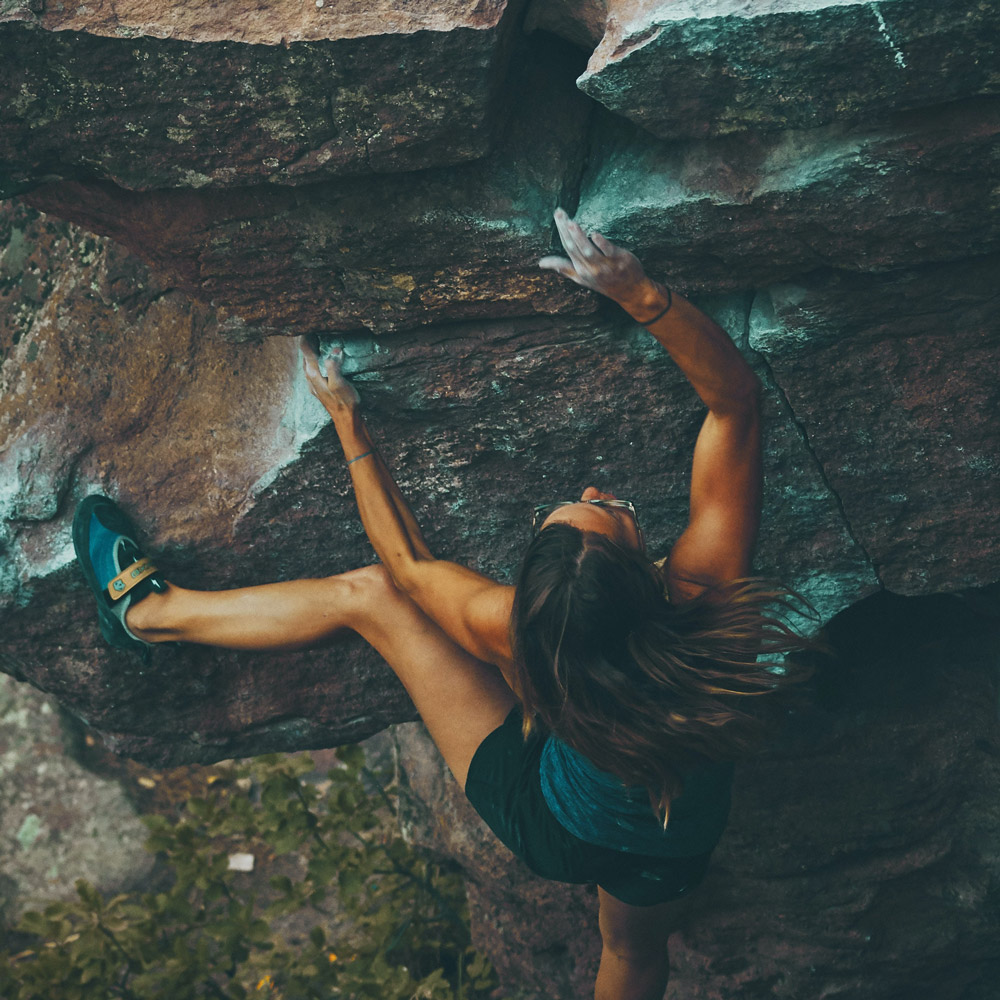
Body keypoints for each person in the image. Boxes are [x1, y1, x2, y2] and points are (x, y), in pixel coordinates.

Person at [74, 209, 810, 1000]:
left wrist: (349, 422)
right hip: (662, 844)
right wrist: (640, 293)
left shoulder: (514, 631)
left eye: (592, 506)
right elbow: (734, 403)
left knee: (371, 597)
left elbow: (407, 566)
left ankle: (149, 614)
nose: (595, 490)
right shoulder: (706, 605)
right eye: (600, 507)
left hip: (552, 823)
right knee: (632, 955)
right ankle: (149, 619)